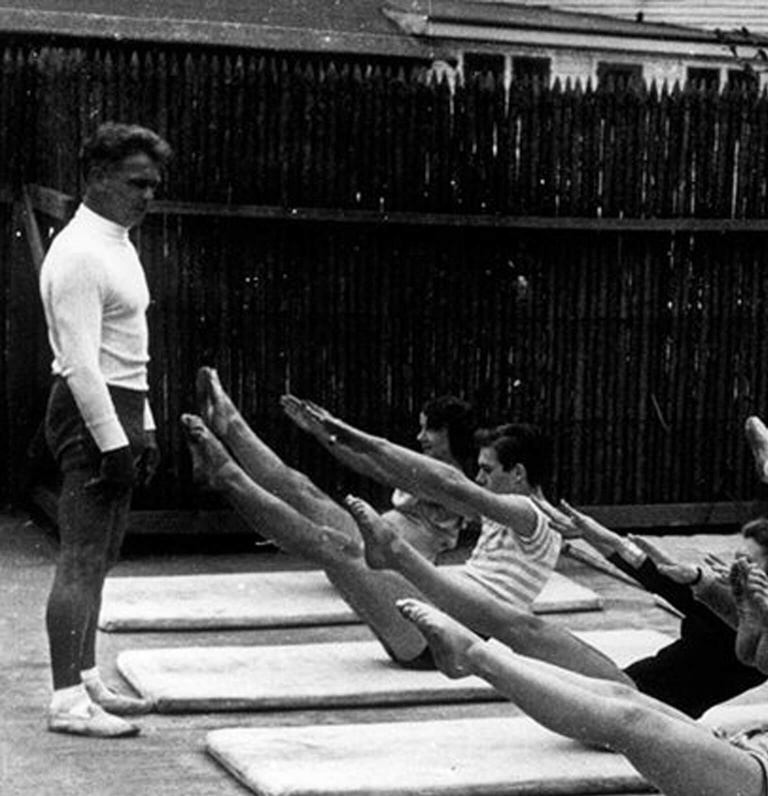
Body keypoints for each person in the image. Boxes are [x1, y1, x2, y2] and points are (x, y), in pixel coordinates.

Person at [182, 368, 561, 667]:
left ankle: (226, 473)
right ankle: (229, 442)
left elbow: (448, 482)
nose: (481, 478)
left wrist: (350, 435)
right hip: (433, 621)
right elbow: (389, 471)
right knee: (314, 515)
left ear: (519, 474)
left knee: (331, 544)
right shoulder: (503, 514)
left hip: (447, 637)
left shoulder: (530, 514)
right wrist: (332, 437)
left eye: (489, 470)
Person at [40, 122, 172, 737]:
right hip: (88, 408)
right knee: (80, 557)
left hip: (121, 406)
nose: (148, 195)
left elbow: (130, 350)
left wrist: (141, 425)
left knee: (103, 557)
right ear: (96, 178)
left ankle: (87, 678)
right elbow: (82, 363)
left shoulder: (119, 242)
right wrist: (113, 441)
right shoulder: (77, 253)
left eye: (153, 184)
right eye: (136, 182)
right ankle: (67, 701)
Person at [395, 598, 768, 796]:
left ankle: (477, 657)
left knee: (631, 723)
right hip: (751, 749)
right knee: (620, 695)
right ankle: (477, 654)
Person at [535, 497, 767, 717]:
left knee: (527, 637)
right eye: (737, 557)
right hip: (625, 692)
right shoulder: (735, 602)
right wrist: (591, 534)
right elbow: (651, 573)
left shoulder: (746, 619)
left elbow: (665, 578)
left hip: (637, 711)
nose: (736, 566)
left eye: (748, 561)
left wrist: (698, 579)